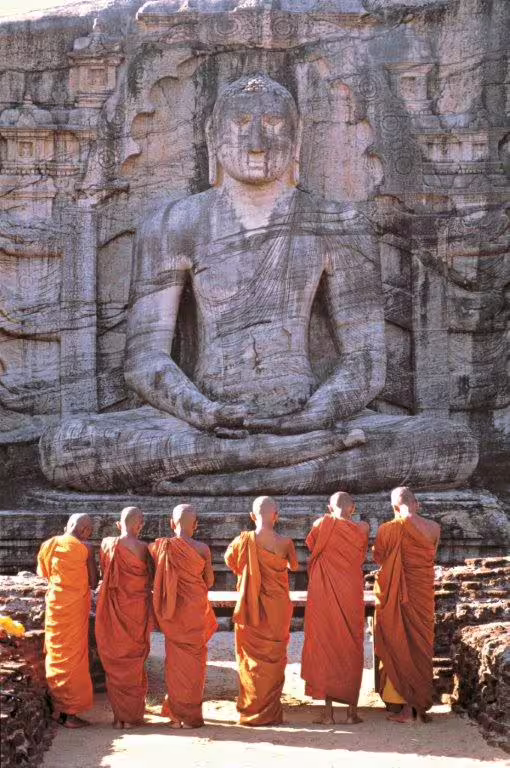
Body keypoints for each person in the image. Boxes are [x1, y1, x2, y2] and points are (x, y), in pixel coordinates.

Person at [40, 74, 478, 496]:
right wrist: (204, 411)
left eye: (272, 125)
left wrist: (316, 414)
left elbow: (365, 362)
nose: (256, 142)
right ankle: (289, 465)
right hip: (201, 422)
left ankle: (235, 471)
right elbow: (144, 359)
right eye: (239, 125)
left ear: (297, 138)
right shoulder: (173, 224)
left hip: (308, 415)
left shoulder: (339, 224)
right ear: (213, 138)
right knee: (69, 446)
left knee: (450, 445)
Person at [225, 496, 299, 726]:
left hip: (250, 606)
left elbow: (230, 561)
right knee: (274, 658)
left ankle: (251, 711)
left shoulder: (243, 540)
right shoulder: (286, 543)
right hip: (277, 608)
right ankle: (270, 713)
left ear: (252, 516)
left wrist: (250, 571)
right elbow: (294, 566)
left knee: (250, 660)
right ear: (276, 516)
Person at [301, 491, 369, 724]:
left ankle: (328, 714)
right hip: (351, 591)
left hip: (324, 595)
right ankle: (351, 713)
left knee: (326, 644)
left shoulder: (321, 523)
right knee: (351, 645)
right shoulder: (363, 528)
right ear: (353, 508)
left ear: (329, 508)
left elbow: (312, 545)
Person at [374, 486, 440, 723]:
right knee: (419, 648)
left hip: (397, 598)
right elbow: (430, 556)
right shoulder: (434, 528)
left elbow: (379, 558)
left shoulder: (387, 529)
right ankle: (416, 706)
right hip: (422, 596)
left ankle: (406, 709)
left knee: (398, 642)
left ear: (393, 508)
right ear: (417, 504)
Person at [149, 504, 217, 728]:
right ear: (195, 525)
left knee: (176, 665)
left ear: (171, 523)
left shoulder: (160, 547)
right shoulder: (202, 549)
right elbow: (209, 581)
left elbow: (155, 578)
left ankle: (177, 716)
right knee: (194, 666)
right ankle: (191, 716)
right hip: (194, 612)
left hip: (174, 613)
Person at [37, 513, 98, 728]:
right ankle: (68, 713)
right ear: (85, 531)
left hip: (56, 605)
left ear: (68, 526)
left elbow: (44, 573)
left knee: (57, 654)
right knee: (73, 659)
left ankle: (58, 708)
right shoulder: (86, 549)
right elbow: (93, 580)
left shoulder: (50, 544)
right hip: (74, 607)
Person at [95, 506, 153, 729]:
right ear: (140, 525)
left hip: (114, 607)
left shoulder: (108, 544)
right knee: (133, 660)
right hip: (137, 609)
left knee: (116, 658)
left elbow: (104, 573)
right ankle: (132, 716)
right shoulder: (145, 548)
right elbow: (151, 577)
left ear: (119, 525)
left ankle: (120, 717)